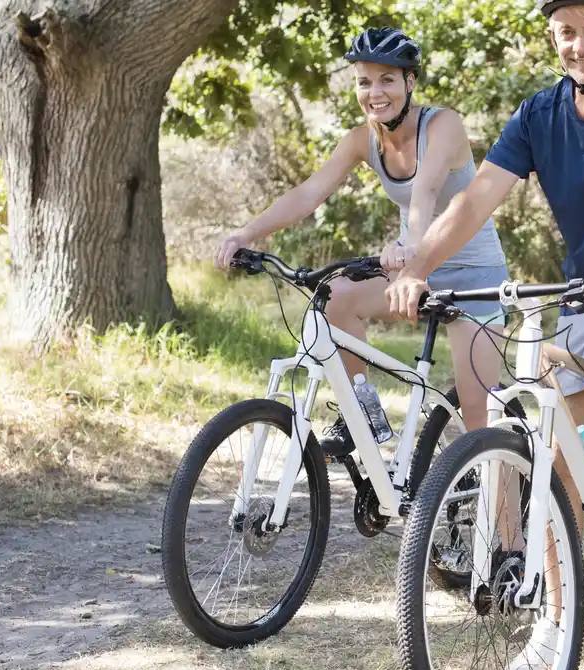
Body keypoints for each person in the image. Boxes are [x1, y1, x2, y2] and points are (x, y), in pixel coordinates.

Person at [385, 0, 584, 585]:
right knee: (561, 445)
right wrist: (419, 267)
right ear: (552, 37)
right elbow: (475, 200)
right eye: (566, 32)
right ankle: (552, 620)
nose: (579, 45)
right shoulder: (539, 114)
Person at [213, 26, 511, 457]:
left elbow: (425, 191)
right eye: (364, 81)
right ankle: (362, 416)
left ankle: (506, 526)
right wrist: (246, 234)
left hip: (473, 277)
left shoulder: (444, 125)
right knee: (336, 296)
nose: (375, 92)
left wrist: (411, 251)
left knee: (478, 432)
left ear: (410, 82)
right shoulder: (361, 140)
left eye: (387, 79)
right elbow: (309, 194)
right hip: (411, 268)